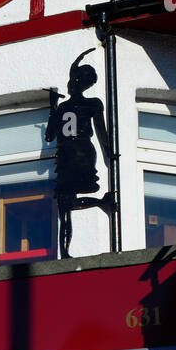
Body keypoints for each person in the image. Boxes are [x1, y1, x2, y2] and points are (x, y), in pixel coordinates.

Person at [45, 50, 114, 258]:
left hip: (67, 155)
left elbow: (49, 136)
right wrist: (109, 152)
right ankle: (101, 202)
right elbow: (101, 130)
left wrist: (52, 109)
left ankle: (65, 252)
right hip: (84, 152)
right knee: (67, 204)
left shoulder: (63, 107)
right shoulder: (93, 103)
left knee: (65, 207)